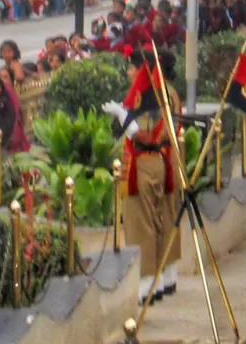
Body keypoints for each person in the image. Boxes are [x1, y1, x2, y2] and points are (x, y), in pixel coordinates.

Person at [103, 50, 183, 305]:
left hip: (146, 162)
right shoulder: (166, 91)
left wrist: (123, 117)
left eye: (131, 67)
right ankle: (166, 276)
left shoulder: (152, 95)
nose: (128, 72)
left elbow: (147, 136)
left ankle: (148, 284)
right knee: (165, 219)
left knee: (142, 224)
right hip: (162, 159)